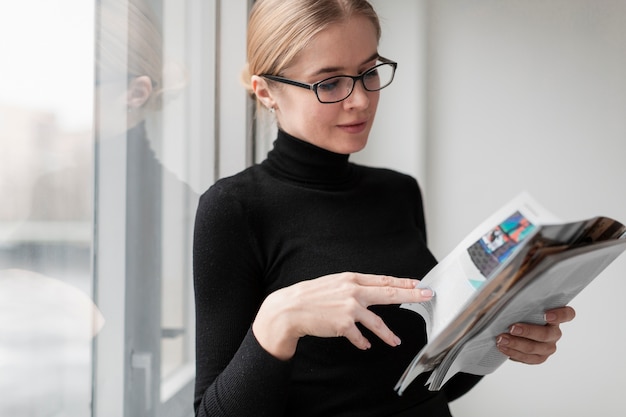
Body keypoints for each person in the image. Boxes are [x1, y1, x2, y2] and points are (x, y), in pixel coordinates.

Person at [192, 1, 576, 416]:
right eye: (331, 83)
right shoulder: (233, 210)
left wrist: (501, 336)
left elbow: (419, 387)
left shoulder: (399, 191)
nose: (359, 100)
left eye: (369, 72)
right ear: (266, 91)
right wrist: (279, 319)